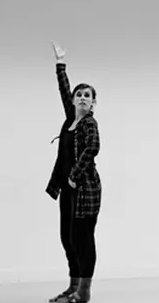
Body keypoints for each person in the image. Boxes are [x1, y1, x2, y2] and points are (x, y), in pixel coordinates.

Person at [45, 41, 102, 303]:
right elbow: (63, 88)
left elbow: (92, 149)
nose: (81, 97)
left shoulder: (90, 123)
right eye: (78, 94)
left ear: (93, 103)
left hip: (84, 189)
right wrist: (60, 63)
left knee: (82, 239)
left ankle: (85, 292)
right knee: (67, 237)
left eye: (86, 95)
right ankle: (73, 286)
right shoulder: (71, 119)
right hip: (67, 190)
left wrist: (74, 176)